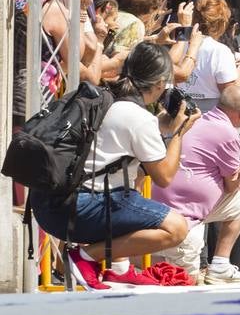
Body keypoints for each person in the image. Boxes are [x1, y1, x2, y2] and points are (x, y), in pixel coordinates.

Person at [29, 43, 195, 289]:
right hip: (79, 209)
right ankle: (85, 257)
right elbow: (164, 177)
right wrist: (179, 132)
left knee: (129, 194)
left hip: (47, 205)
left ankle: (119, 269)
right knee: (176, 228)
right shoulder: (139, 118)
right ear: (160, 83)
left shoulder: (103, 98)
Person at [151, 85, 240, 284]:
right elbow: (231, 186)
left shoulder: (197, 120)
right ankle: (218, 265)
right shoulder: (229, 134)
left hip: (160, 212)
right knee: (185, 285)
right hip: (184, 223)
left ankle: (220, 265)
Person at [177, 0, 240, 113]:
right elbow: (230, 94)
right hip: (211, 114)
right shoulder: (220, 51)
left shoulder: (179, 46)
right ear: (222, 23)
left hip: (180, 110)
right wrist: (239, 75)